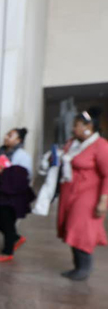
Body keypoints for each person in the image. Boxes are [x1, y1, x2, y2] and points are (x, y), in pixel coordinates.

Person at [57, 107, 108, 281]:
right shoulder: (73, 143)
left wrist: (103, 201)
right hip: (70, 193)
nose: (73, 129)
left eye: (77, 125)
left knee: (82, 230)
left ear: (89, 127)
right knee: (71, 228)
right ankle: (77, 266)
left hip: (89, 195)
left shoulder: (100, 146)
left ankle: (84, 268)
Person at [0, 128, 36, 262]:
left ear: (18, 140)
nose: (6, 137)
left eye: (10, 135)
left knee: (7, 222)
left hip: (11, 195)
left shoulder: (23, 156)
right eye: (7, 134)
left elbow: (24, 176)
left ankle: (8, 252)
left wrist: (5, 173)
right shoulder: (0, 152)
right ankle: (15, 238)